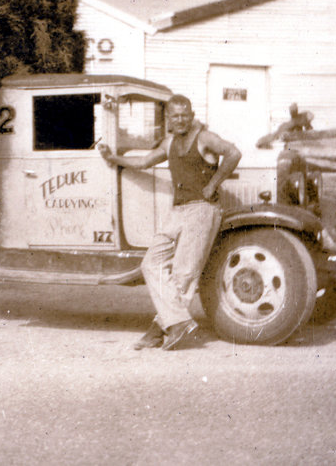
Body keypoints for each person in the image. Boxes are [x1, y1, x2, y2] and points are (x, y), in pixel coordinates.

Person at [98, 94, 241, 350]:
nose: (181, 119)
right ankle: (174, 324)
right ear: (169, 120)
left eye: (185, 114)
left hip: (202, 210)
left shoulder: (205, 137)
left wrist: (213, 184)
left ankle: (158, 331)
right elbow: (143, 161)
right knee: (150, 263)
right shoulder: (170, 142)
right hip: (178, 211)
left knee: (184, 274)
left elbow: (233, 153)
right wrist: (113, 159)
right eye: (175, 116)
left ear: (192, 115)